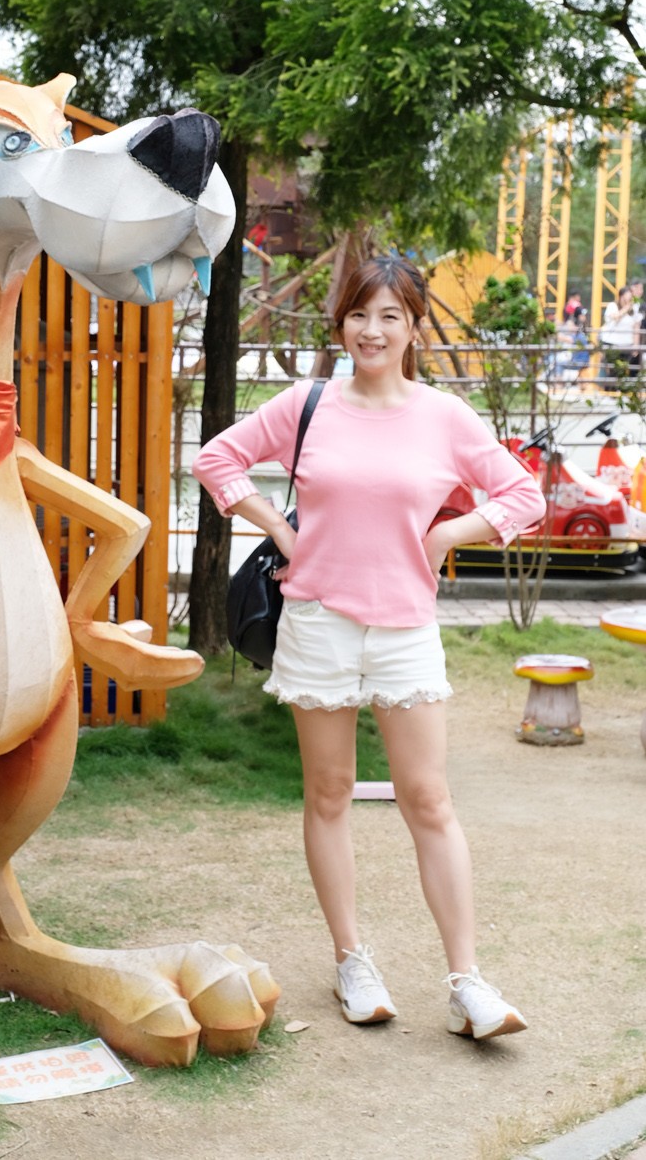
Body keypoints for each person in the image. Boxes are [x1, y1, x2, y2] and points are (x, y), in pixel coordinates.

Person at [192, 255, 546, 1041]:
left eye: (390, 316)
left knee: (430, 800)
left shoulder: (445, 417)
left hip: (406, 630)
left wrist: (454, 528)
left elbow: (524, 493)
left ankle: (468, 983)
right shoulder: (306, 404)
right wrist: (279, 526)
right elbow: (215, 458)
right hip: (316, 621)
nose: (372, 330)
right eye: (359, 314)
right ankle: (353, 959)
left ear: (414, 327)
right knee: (329, 793)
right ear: (342, 323)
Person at [601, 285, 639, 383]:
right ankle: (610, 391)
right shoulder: (612, 306)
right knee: (612, 369)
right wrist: (625, 309)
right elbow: (615, 317)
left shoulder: (634, 308)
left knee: (623, 369)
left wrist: (636, 345)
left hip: (626, 344)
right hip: (611, 342)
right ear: (621, 296)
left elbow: (636, 327)